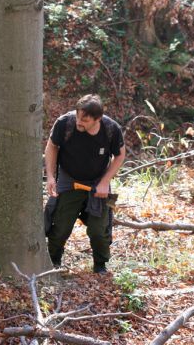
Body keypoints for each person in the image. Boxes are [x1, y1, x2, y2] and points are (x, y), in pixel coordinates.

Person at [45, 94, 125, 274]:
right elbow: (52, 146)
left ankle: (100, 265)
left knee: (100, 230)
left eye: (85, 120)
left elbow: (120, 155)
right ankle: (53, 262)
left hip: (98, 182)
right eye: (78, 116)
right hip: (69, 178)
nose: (79, 122)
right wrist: (50, 177)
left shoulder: (111, 129)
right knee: (59, 227)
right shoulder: (64, 123)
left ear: (97, 119)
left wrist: (105, 182)